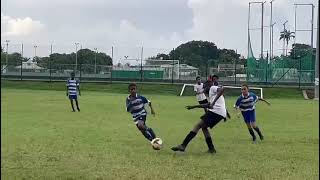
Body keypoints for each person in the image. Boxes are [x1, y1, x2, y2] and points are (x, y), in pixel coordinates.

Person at [171, 84, 227, 154]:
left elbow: (223, 89)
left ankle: (183, 145)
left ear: (206, 88)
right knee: (204, 128)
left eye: (203, 90)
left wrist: (213, 102)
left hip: (216, 112)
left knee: (197, 125)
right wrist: (193, 106)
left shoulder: (212, 88)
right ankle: (211, 149)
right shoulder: (212, 94)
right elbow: (207, 105)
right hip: (219, 113)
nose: (203, 91)